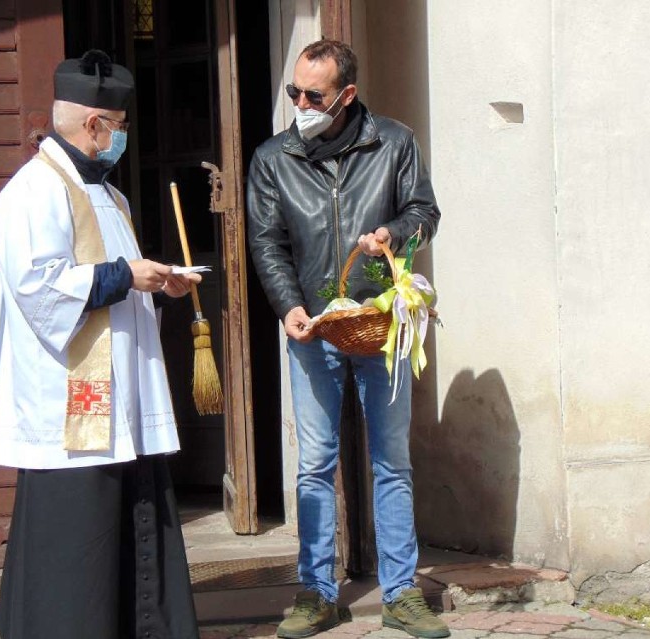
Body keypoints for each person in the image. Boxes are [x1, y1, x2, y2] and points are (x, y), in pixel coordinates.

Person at [0, 49, 200, 639]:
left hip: (118, 388)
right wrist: (127, 275)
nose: (121, 139)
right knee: (76, 530)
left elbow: (121, 273)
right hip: (72, 393)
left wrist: (160, 280)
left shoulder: (111, 195)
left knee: (127, 509)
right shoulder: (33, 191)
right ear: (95, 124)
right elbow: (37, 286)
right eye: (119, 128)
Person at [246, 40, 449, 639]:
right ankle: (316, 592)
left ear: (347, 96)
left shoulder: (394, 142)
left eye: (314, 95)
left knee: (391, 462)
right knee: (313, 466)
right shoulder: (273, 157)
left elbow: (425, 211)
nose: (301, 104)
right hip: (313, 331)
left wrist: (394, 231)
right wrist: (288, 306)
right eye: (294, 92)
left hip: (381, 327)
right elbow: (267, 241)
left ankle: (402, 592)